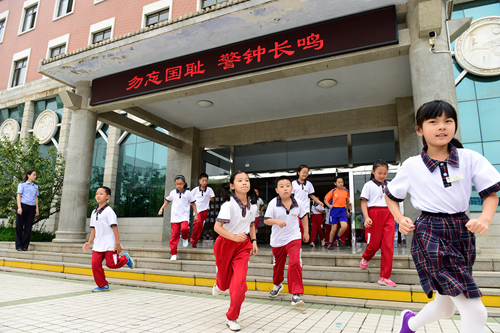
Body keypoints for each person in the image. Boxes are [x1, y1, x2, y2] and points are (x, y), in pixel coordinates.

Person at [384, 100, 500, 333]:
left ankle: (409, 324)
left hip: (461, 230)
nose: (442, 127)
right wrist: (399, 219)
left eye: (448, 121)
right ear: (419, 130)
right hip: (429, 232)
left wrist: (485, 219)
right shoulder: (412, 165)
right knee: (476, 311)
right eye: (433, 121)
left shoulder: (469, 158)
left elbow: (491, 193)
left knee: (446, 307)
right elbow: (391, 195)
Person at [212, 171, 258, 331]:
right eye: (240, 180)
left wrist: (253, 241)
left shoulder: (253, 205)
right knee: (224, 285)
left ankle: (232, 317)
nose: (245, 183)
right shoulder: (228, 205)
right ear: (232, 186)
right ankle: (219, 283)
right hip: (225, 244)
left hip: (242, 247)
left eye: (247, 180)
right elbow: (217, 227)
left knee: (239, 283)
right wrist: (233, 237)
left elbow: (251, 224)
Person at [265, 176, 309, 306]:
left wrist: (306, 232)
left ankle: (296, 294)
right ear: (277, 190)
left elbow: (304, 216)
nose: (285, 188)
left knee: (295, 262)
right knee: (277, 267)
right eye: (282, 186)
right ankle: (277, 285)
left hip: (293, 237)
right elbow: (266, 220)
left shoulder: (299, 203)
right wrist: (276, 221)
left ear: (292, 188)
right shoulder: (273, 203)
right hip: (277, 241)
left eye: (288, 185)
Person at [82, 186, 135, 292]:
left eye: (101, 194)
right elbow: (94, 230)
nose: (98, 196)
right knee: (95, 264)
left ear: (107, 197)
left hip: (110, 243)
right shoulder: (94, 212)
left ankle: (125, 259)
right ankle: (103, 285)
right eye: (97, 194)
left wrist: (118, 243)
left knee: (112, 264)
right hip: (98, 243)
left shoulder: (109, 211)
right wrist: (89, 242)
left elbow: (114, 227)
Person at [359, 160, 396, 287]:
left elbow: (394, 202)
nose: (382, 176)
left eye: (385, 173)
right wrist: (366, 217)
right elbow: (363, 202)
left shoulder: (390, 185)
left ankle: (384, 276)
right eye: (379, 173)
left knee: (388, 246)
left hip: (389, 214)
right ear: (373, 171)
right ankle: (366, 257)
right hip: (373, 215)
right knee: (373, 245)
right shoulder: (368, 185)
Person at [158, 175, 198, 261]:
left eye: (180, 183)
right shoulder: (173, 192)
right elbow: (167, 201)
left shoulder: (188, 193)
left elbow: (193, 203)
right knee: (174, 236)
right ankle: (173, 254)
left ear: (184, 184)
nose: (178, 185)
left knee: (184, 229)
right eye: (177, 184)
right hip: (174, 218)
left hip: (184, 217)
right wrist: (161, 209)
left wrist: (196, 214)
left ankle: (184, 237)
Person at [292, 165, 324, 237]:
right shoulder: (293, 183)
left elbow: (311, 195)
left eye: (307, 173)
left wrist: (318, 202)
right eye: (303, 172)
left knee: (303, 227)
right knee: (297, 226)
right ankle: (297, 243)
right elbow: (291, 196)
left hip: (305, 209)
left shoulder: (309, 184)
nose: (305, 174)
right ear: (298, 172)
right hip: (295, 208)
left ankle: (300, 243)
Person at [16, 170, 39, 251]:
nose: (35, 176)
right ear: (28, 175)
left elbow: (36, 198)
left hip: (31, 207)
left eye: (35, 175)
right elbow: (18, 196)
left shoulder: (35, 186)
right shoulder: (22, 185)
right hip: (23, 206)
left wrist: (37, 208)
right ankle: (18, 245)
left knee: (28, 227)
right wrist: (19, 207)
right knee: (19, 226)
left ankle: (25, 245)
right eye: (33, 175)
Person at [324, 176, 349, 249]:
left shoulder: (346, 191)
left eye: (342, 182)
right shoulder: (333, 191)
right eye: (339, 182)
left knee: (345, 226)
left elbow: (347, 201)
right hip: (334, 210)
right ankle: (330, 243)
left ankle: (338, 237)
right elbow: (325, 199)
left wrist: (347, 210)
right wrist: (329, 205)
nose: (341, 184)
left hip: (342, 210)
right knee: (334, 229)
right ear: (335, 183)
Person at [190, 173, 215, 248]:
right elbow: (190, 198)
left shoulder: (209, 190)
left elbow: (213, 198)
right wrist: (189, 204)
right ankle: (193, 238)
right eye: (203, 180)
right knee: (198, 223)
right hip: (197, 210)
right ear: (199, 181)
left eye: (206, 181)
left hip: (205, 210)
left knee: (201, 226)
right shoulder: (195, 190)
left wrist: (211, 199)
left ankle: (195, 241)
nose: (204, 182)